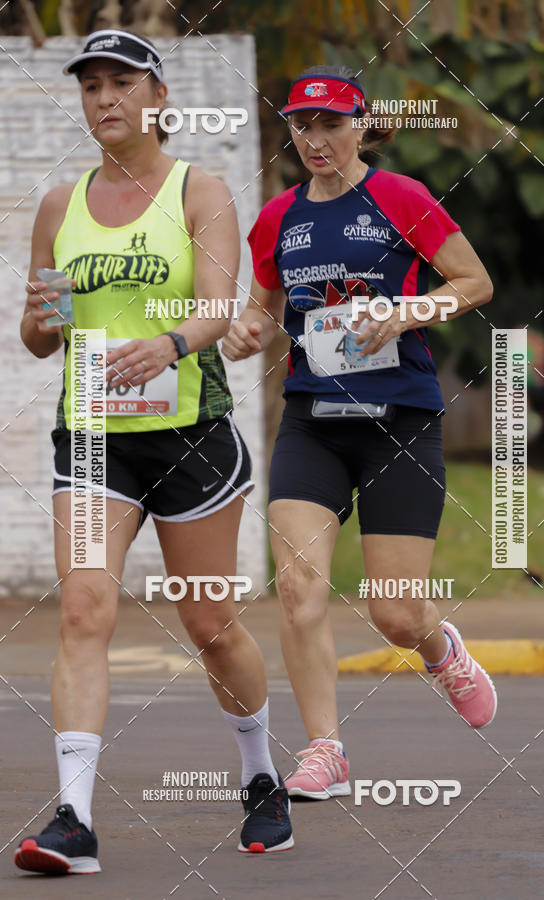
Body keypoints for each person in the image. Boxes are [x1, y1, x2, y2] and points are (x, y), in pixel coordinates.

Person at [14, 30, 292, 874]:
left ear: (159, 97)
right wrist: (42, 318)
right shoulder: (59, 205)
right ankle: (74, 819)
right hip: (94, 437)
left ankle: (261, 774)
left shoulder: (198, 191)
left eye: (122, 83)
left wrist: (168, 344)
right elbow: (38, 335)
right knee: (82, 610)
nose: (105, 99)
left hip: (191, 435)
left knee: (209, 623)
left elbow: (218, 306)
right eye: (91, 85)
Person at [222, 65, 497, 800]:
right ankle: (325, 751)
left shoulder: (401, 197)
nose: (316, 139)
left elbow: (474, 283)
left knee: (395, 612)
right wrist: (245, 332)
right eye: (302, 125)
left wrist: (407, 313)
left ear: (361, 125)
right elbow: (261, 311)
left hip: (399, 421)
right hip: (312, 421)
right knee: (298, 588)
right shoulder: (278, 217)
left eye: (332, 124)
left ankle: (440, 649)